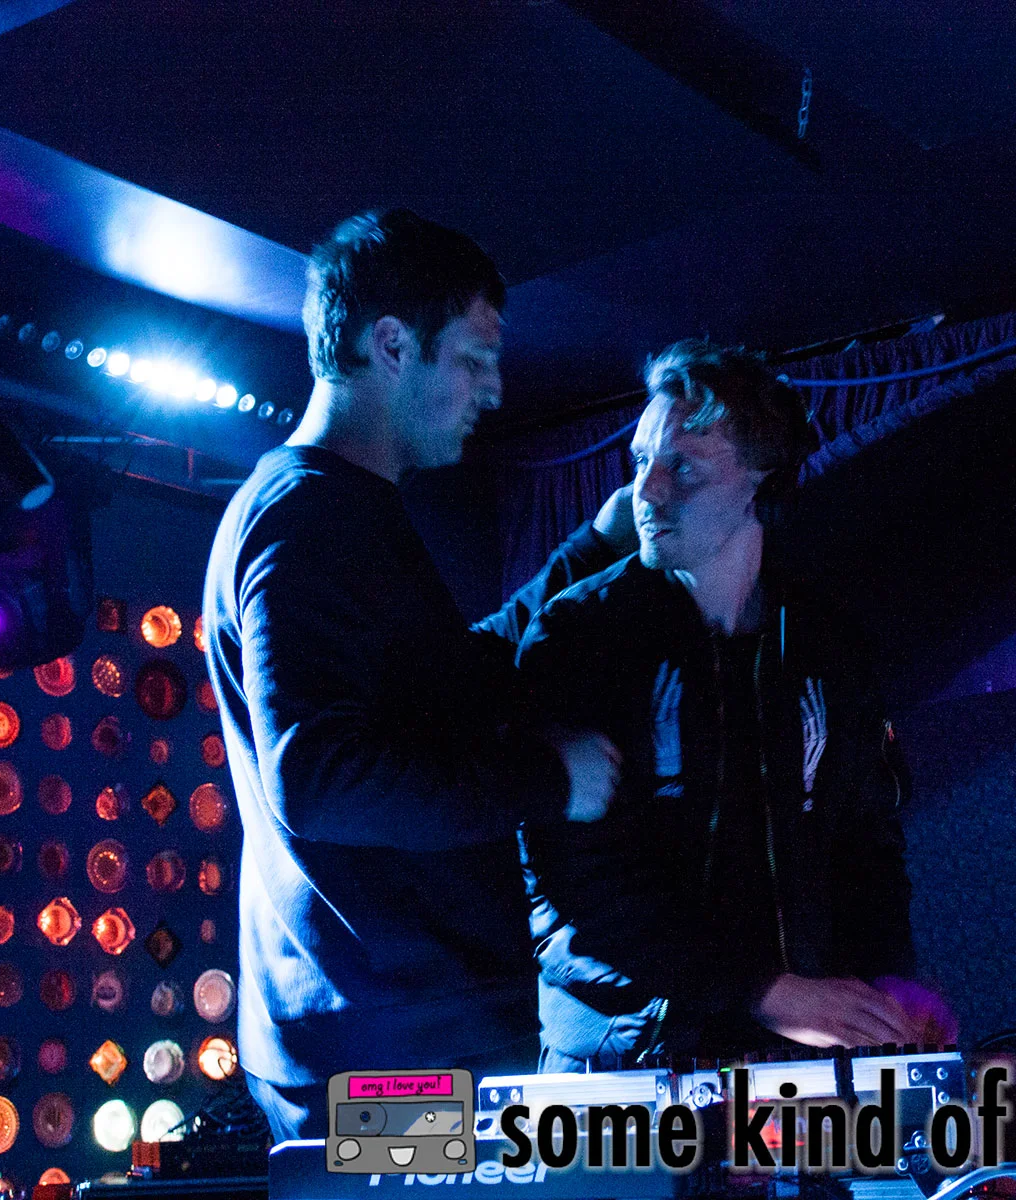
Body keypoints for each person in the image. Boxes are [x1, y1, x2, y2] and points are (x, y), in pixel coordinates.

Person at [201, 209, 629, 1142]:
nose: (494, 389)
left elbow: (449, 685)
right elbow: (319, 777)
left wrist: (590, 551)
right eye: (474, 359)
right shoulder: (307, 519)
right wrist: (547, 781)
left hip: (395, 1031)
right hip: (387, 1052)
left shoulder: (333, 511)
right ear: (391, 345)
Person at [517, 339, 955, 1072]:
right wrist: (758, 989)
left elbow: (866, 848)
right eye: (640, 462)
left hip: (788, 1054)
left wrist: (886, 988)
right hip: (628, 1059)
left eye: (683, 467)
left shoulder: (826, 644)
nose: (645, 491)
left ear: (763, 477)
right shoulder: (580, 634)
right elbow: (568, 888)